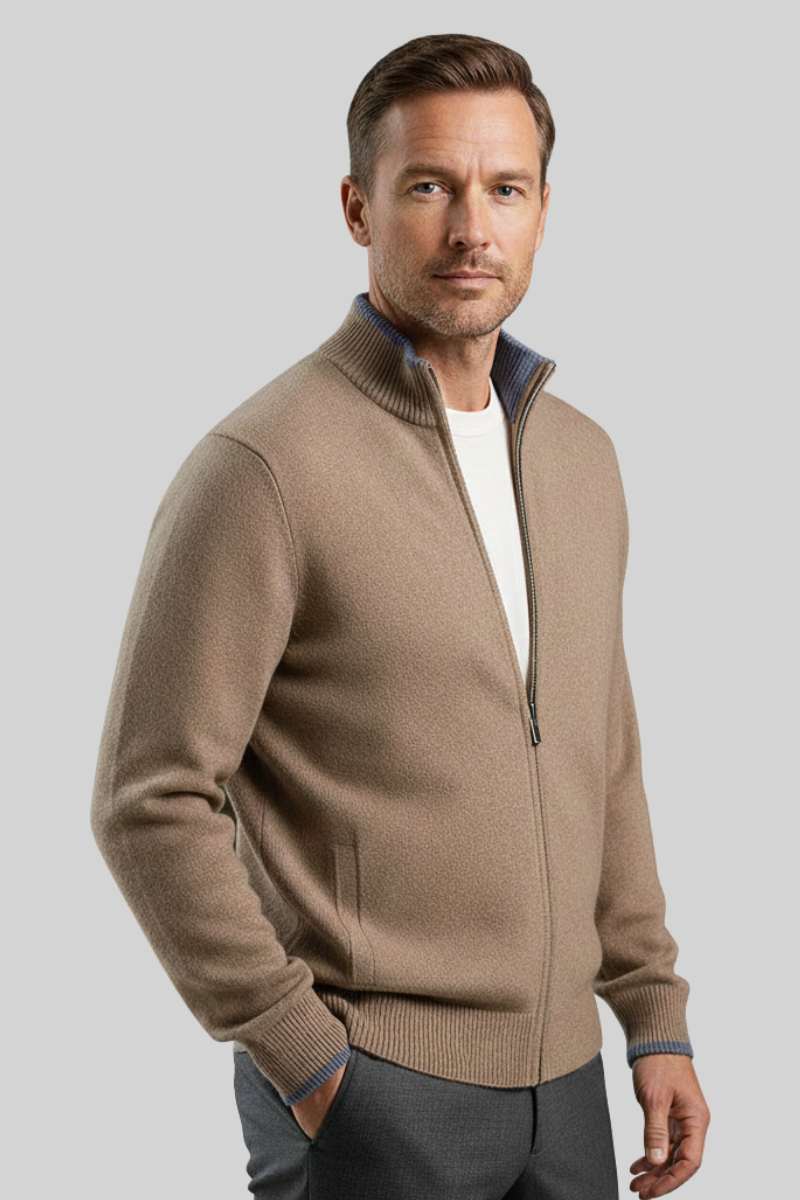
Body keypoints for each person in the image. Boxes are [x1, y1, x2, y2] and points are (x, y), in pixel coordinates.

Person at [90, 32, 710, 1200]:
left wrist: (650, 1012)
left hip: (568, 1086)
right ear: (356, 208)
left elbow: (604, 754)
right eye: (428, 187)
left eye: (504, 189)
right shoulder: (264, 467)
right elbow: (149, 795)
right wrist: (303, 1056)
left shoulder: (581, 460)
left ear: (541, 210)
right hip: (370, 1085)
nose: (471, 228)